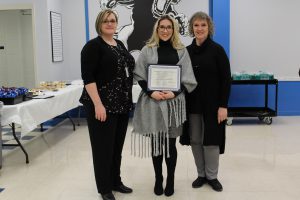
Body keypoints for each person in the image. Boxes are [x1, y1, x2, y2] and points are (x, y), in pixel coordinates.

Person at [132, 15, 197, 197]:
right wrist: (151, 92)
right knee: (156, 144)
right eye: (162, 27)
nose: (165, 30)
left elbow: (188, 78)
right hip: (153, 102)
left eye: (169, 27)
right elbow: (139, 75)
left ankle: (170, 179)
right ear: (157, 29)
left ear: (174, 29)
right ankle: (158, 178)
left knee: (170, 143)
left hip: (174, 104)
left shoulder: (181, 51)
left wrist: (174, 93)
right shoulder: (148, 50)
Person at [79, 9, 135, 200]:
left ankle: (115, 181)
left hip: (121, 104)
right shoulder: (92, 46)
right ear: (99, 24)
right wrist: (98, 105)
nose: (110, 23)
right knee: (103, 149)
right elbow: (88, 78)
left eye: (112, 20)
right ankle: (104, 188)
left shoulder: (118, 44)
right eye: (106, 21)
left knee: (116, 148)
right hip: (101, 106)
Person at [185, 11, 231, 192]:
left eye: (203, 25)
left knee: (211, 140)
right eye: (196, 25)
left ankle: (212, 176)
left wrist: (223, 106)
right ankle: (201, 174)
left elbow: (226, 80)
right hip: (193, 105)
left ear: (209, 27)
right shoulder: (186, 52)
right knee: (195, 139)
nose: (199, 28)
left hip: (213, 105)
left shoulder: (217, 50)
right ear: (192, 28)